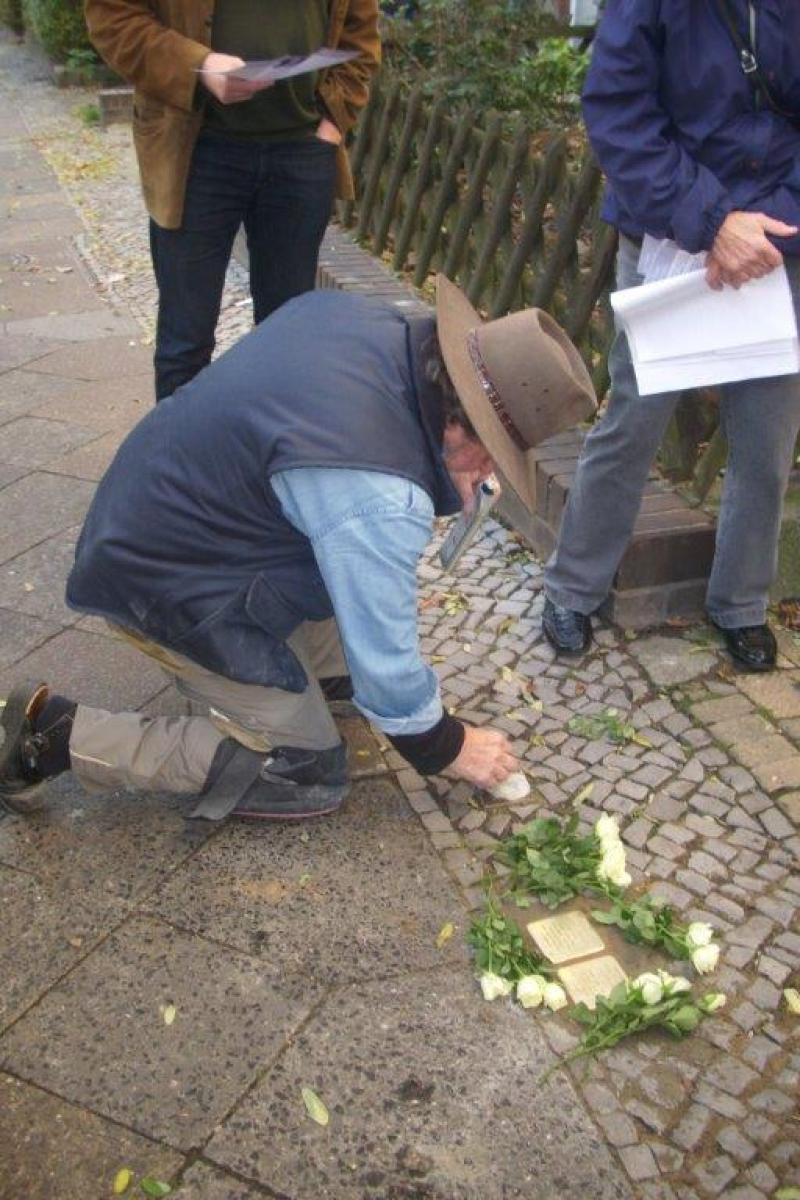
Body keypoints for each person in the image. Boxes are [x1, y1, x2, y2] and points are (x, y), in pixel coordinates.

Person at [0, 277, 595, 821]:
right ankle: (52, 737)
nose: (491, 468)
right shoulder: (379, 494)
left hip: (164, 517)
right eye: (494, 448)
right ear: (460, 423)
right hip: (158, 584)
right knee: (308, 767)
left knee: (343, 668)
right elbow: (388, 663)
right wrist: (447, 744)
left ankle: (281, 685)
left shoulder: (369, 324)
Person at [542, 0, 800, 672]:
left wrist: (763, 221)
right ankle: (574, 587)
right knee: (633, 422)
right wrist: (712, 221)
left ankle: (741, 604)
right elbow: (619, 114)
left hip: (777, 242)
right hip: (668, 232)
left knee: (766, 441)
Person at [83, 0, 381, 400]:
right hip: (194, 152)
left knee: (288, 340)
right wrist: (199, 65)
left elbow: (361, 34)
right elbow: (112, 19)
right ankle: (178, 461)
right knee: (185, 343)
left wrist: (332, 122)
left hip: (300, 150)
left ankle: (270, 459)